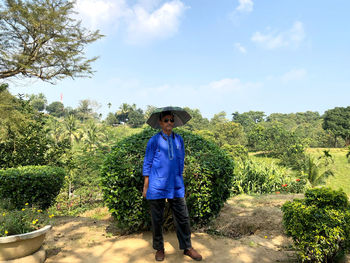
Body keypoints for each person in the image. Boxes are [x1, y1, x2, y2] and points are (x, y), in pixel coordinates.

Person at [143, 110, 202, 261]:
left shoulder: (179, 140)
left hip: (175, 185)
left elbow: (181, 160)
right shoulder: (154, 140)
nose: (169, 122)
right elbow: (148, 163)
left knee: (183, 217)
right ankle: (159, 248)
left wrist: (178, 177)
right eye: (166, 120)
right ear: (161, 123)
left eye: (171, 120)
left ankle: (187, 247)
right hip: (157, 185)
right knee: (157, 219)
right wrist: (146, 186)